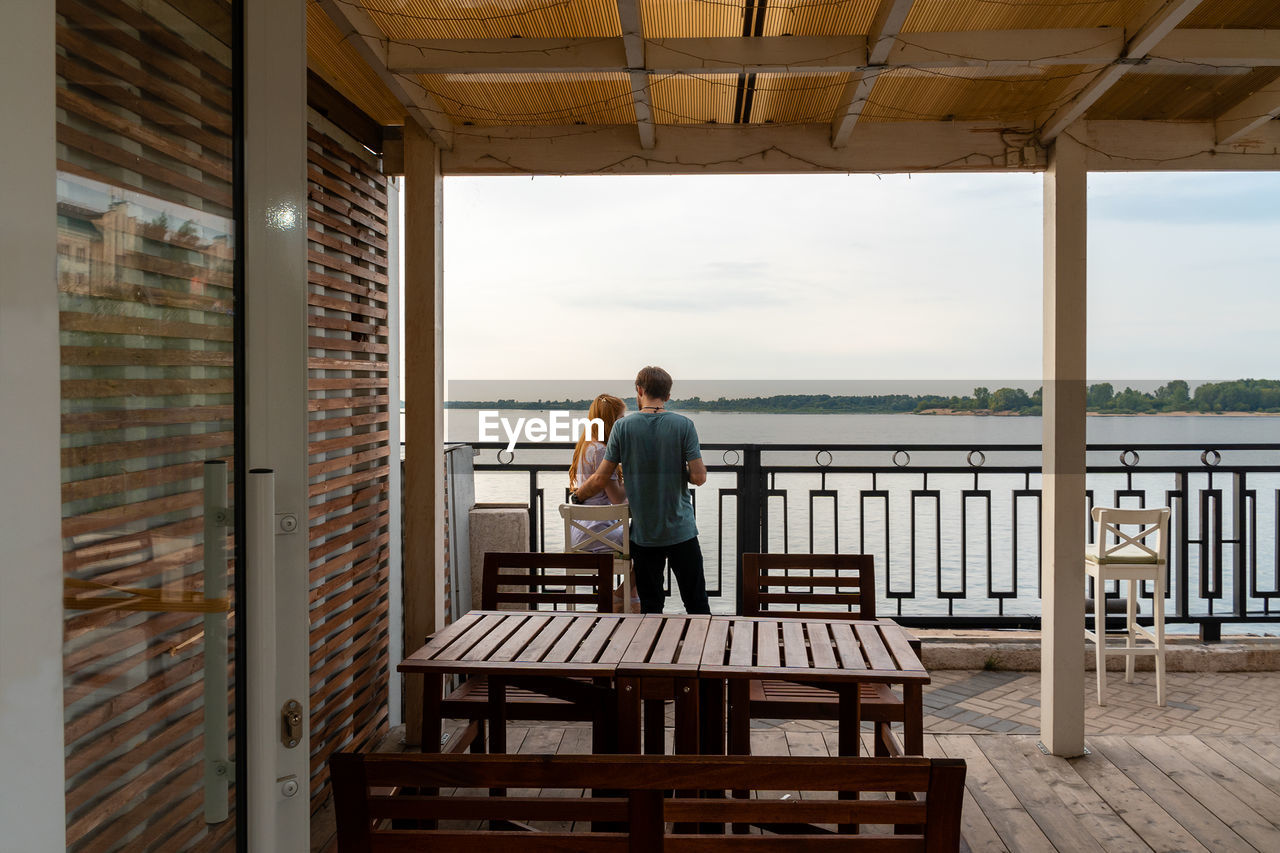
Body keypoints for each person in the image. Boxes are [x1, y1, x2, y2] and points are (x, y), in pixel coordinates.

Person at [572, 366, 710, 615]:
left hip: (645, 534)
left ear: (639, 390)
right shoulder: (684, 425)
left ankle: (652, 651)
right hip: (681, 529)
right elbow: (699, 477)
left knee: (651, 606)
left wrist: (577, 496)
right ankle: (705, 652)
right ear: (667, 396)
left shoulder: (622, 428)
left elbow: (601, 477)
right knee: (697, 603)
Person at [566, 393, 628, 552]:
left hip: (582, 530)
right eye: (621, 418)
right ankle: (627, 578)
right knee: (647, 547)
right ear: (610, 421)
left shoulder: (587, 446)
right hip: (598, 532)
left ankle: (621, 578)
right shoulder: (602, 451)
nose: (624, 423)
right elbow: (618, 498)